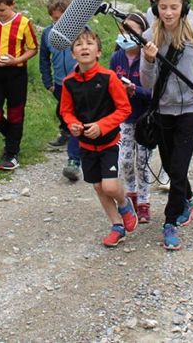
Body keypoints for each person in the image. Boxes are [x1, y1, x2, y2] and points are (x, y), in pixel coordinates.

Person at [140, 0, 193, 250]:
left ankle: (170, 222)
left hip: (191, 110)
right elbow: (147, 82)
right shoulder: (151, 37)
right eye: (163, 7)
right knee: (172, 164)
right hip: (163, 110)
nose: (169, 13)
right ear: (155, 8)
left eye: (174, 7)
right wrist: (149, 60)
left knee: (177, 168)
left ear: (183, 7)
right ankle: (187, 197)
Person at [61, 28, 138, 246]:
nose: (84, 47)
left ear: (98, 52)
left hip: (109, 142)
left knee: (110, 187)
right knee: (97, 187)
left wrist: (102, 126)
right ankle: (117, 225)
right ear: (73, 54)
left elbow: (124, 109)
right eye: (78, 44)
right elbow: (66, 111)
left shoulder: (109, 77)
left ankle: (124, 204)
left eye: (89, 43)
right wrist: (72, 124)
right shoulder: (69, 83)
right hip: (86, 145)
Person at [0, 0, 39, 171]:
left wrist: (17, 60)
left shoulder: (24, 23)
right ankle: (12, 137)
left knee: (15, 114)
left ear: (13, 4)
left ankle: (12, 153)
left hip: (16, 73)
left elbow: (33, 48)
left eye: (2, 10)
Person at [110, 12, 154, 224]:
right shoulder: (116, 58)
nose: (126, 34)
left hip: (145, 119)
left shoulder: (148, 58)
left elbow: (155, 92)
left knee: (143, 162)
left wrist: (135, 89)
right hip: (124, 118)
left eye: (133, 30)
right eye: (124, 28)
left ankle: (144, 201)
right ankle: (131, 195)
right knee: (126, 160)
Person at [39, 0, 81, 181]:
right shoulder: (48, 33)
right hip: (59, 83)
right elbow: (43, 59)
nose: (58, 23)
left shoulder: (81, 30)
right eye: (54, 19)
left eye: (62, 19)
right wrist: (48, 82)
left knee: (74, 117)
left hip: (79, 83)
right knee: (63, 113)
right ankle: (66, 133)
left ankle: (74, 159)